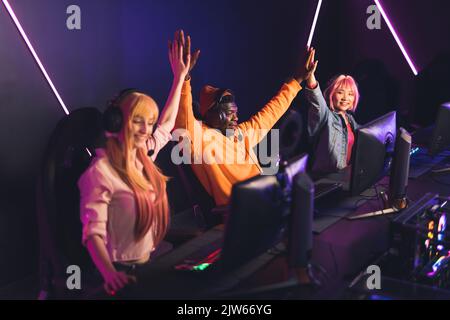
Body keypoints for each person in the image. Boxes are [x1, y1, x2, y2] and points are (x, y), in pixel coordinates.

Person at [78, 30, 190, 295]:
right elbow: (91, 232)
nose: (146, 129)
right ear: (117, 121)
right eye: (138, 120)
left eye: (148, 122)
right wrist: (110, 275)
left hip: (147, 264)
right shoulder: (100, 173)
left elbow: (166, 125)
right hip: (121, 271)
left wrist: (180, 77)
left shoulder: (144, 154)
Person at [173, 34, 315, 206]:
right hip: (241, 212)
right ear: (209, 114)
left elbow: (271, 112)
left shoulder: (240, 133)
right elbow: (183, 118)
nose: (236, 117)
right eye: (229, 113)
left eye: (236, 112)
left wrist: (298, 80)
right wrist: (183, 78)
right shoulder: (200, 137)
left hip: (266, 200)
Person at [303, 48, 360, 174]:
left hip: (345, 179)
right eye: (340, 92)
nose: (346, 98)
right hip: (326, 182)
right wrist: (310, 76)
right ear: (331, 94)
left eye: (350, 94)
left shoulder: (350, 120)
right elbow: (316, 99)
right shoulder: (325, 115)